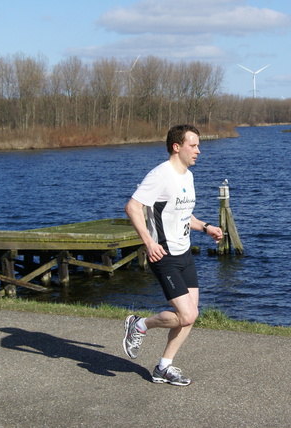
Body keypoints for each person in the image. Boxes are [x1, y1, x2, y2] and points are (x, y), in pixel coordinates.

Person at [122, 124, 223, 386]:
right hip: (163, 254)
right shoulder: (160, 175)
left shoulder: (187, 176)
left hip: (184, 252)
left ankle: (163, 367)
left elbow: (182, 212)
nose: (198, 151)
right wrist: (148, 242)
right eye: (193, 145)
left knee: (191, 315)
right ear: (177, 147)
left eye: (199, 146)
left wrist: (206, 227)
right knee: (187, 315)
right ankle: (140, 324)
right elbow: (133, 207)